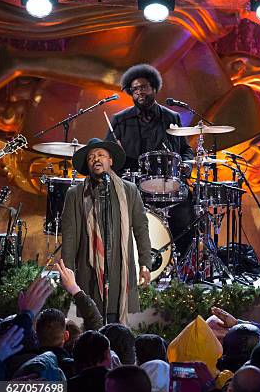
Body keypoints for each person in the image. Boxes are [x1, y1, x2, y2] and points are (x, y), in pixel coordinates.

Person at [105, 63, 195, 260]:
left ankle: (183, 262)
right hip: (132, 184)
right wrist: (114, 158)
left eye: (143, 87)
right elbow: (107, 153)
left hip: (167, 183)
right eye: (135, 89)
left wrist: (187, 164)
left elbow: (185, 149)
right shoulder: (120, 120)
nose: (139, 92)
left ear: (154, 88)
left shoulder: (172, 117)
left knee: (187, 204)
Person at [61, 138, 151, 324]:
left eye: (101, 155)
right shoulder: (75, 194)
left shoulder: (129, 190)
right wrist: (68, 273)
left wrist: (145, 263)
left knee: (117, 327)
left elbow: (141, 229)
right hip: (89, 271)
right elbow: (69, 236)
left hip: (120, 269)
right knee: (93, 325)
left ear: (111, 161)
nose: (96, 159)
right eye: (91, 157)